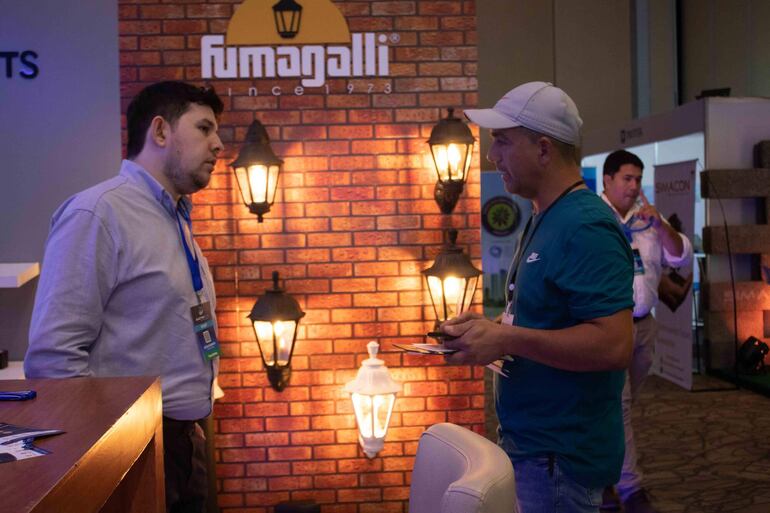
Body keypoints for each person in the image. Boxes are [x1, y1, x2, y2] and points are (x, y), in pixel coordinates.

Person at [24, 81, 225, 513]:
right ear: (160, 131)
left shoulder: (174, 216)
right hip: (132, 449)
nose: (218, 144)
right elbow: (53, 357)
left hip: (183, 440)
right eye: (204, 128)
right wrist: (105, 452)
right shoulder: (98, 213)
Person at [442, 81, 635, 513]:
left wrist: (506, 339)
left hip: (559, 460)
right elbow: (546, 318)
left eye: (503, 141)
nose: (492, 156)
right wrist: (489, 330)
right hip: (538, 451)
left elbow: (614, 345)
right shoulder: (546, 215)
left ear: (544, 150)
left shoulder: (584, 226)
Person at [600, 149, 693, 513]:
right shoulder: (592, 218)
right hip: (609, 328)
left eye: (638, 179)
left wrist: (661, 226)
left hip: (644, 327)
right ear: (607, 179)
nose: (633, 186)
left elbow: (680, 256)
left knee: (616, 408)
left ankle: (602, 477)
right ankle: (630, 489)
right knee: (618, 406)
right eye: (627, 178)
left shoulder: (648, 219)